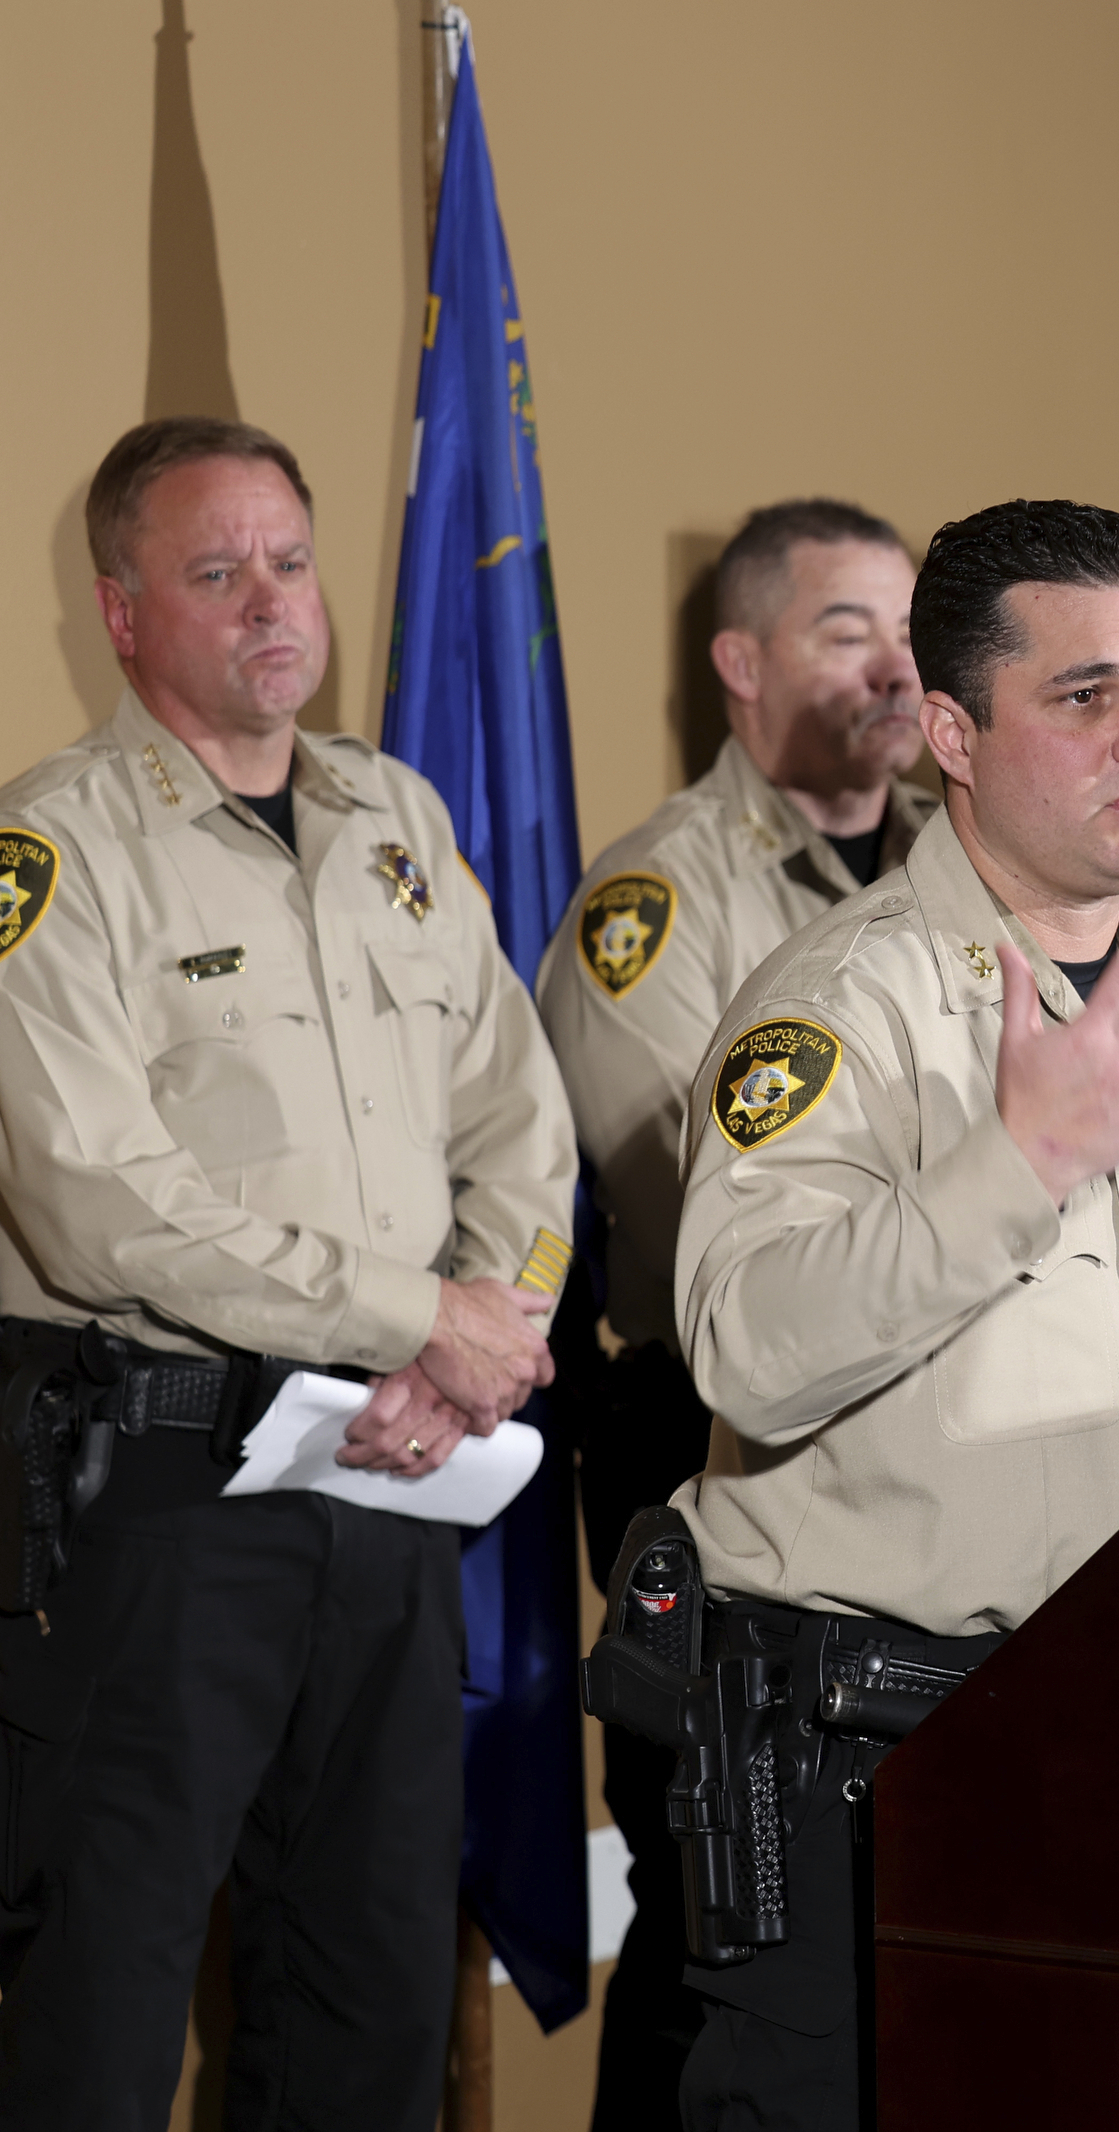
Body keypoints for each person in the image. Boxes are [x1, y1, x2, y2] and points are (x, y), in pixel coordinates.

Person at [653, 497, 1119, 2124]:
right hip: (881, 1755)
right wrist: (1022, 1159)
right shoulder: (840, 1006)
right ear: (953, 735)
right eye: (1084, 694)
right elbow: (747, 1346)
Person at [0, 418, 574, 2126]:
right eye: (213, 570)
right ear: (121, 610)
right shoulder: (54, 852)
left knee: (369, 2002)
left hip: (391, 1477)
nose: (272, 604)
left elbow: (518, 1114)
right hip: (155, 1505)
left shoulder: (391, 815)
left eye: (290, 561)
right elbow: (100, 1205)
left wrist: (489, 1330)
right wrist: (418, 1316)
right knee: (89, 2014)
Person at [534, 498, 937, 2129]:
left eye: (914, 630)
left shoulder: (965, 869)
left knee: (908, 1940)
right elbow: (722, 1224)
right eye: (850, 629)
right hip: (709, 1452)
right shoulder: (656, 904)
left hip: (925, 1455)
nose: (900, 666)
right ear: (741, 661)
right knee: (728, 1936)